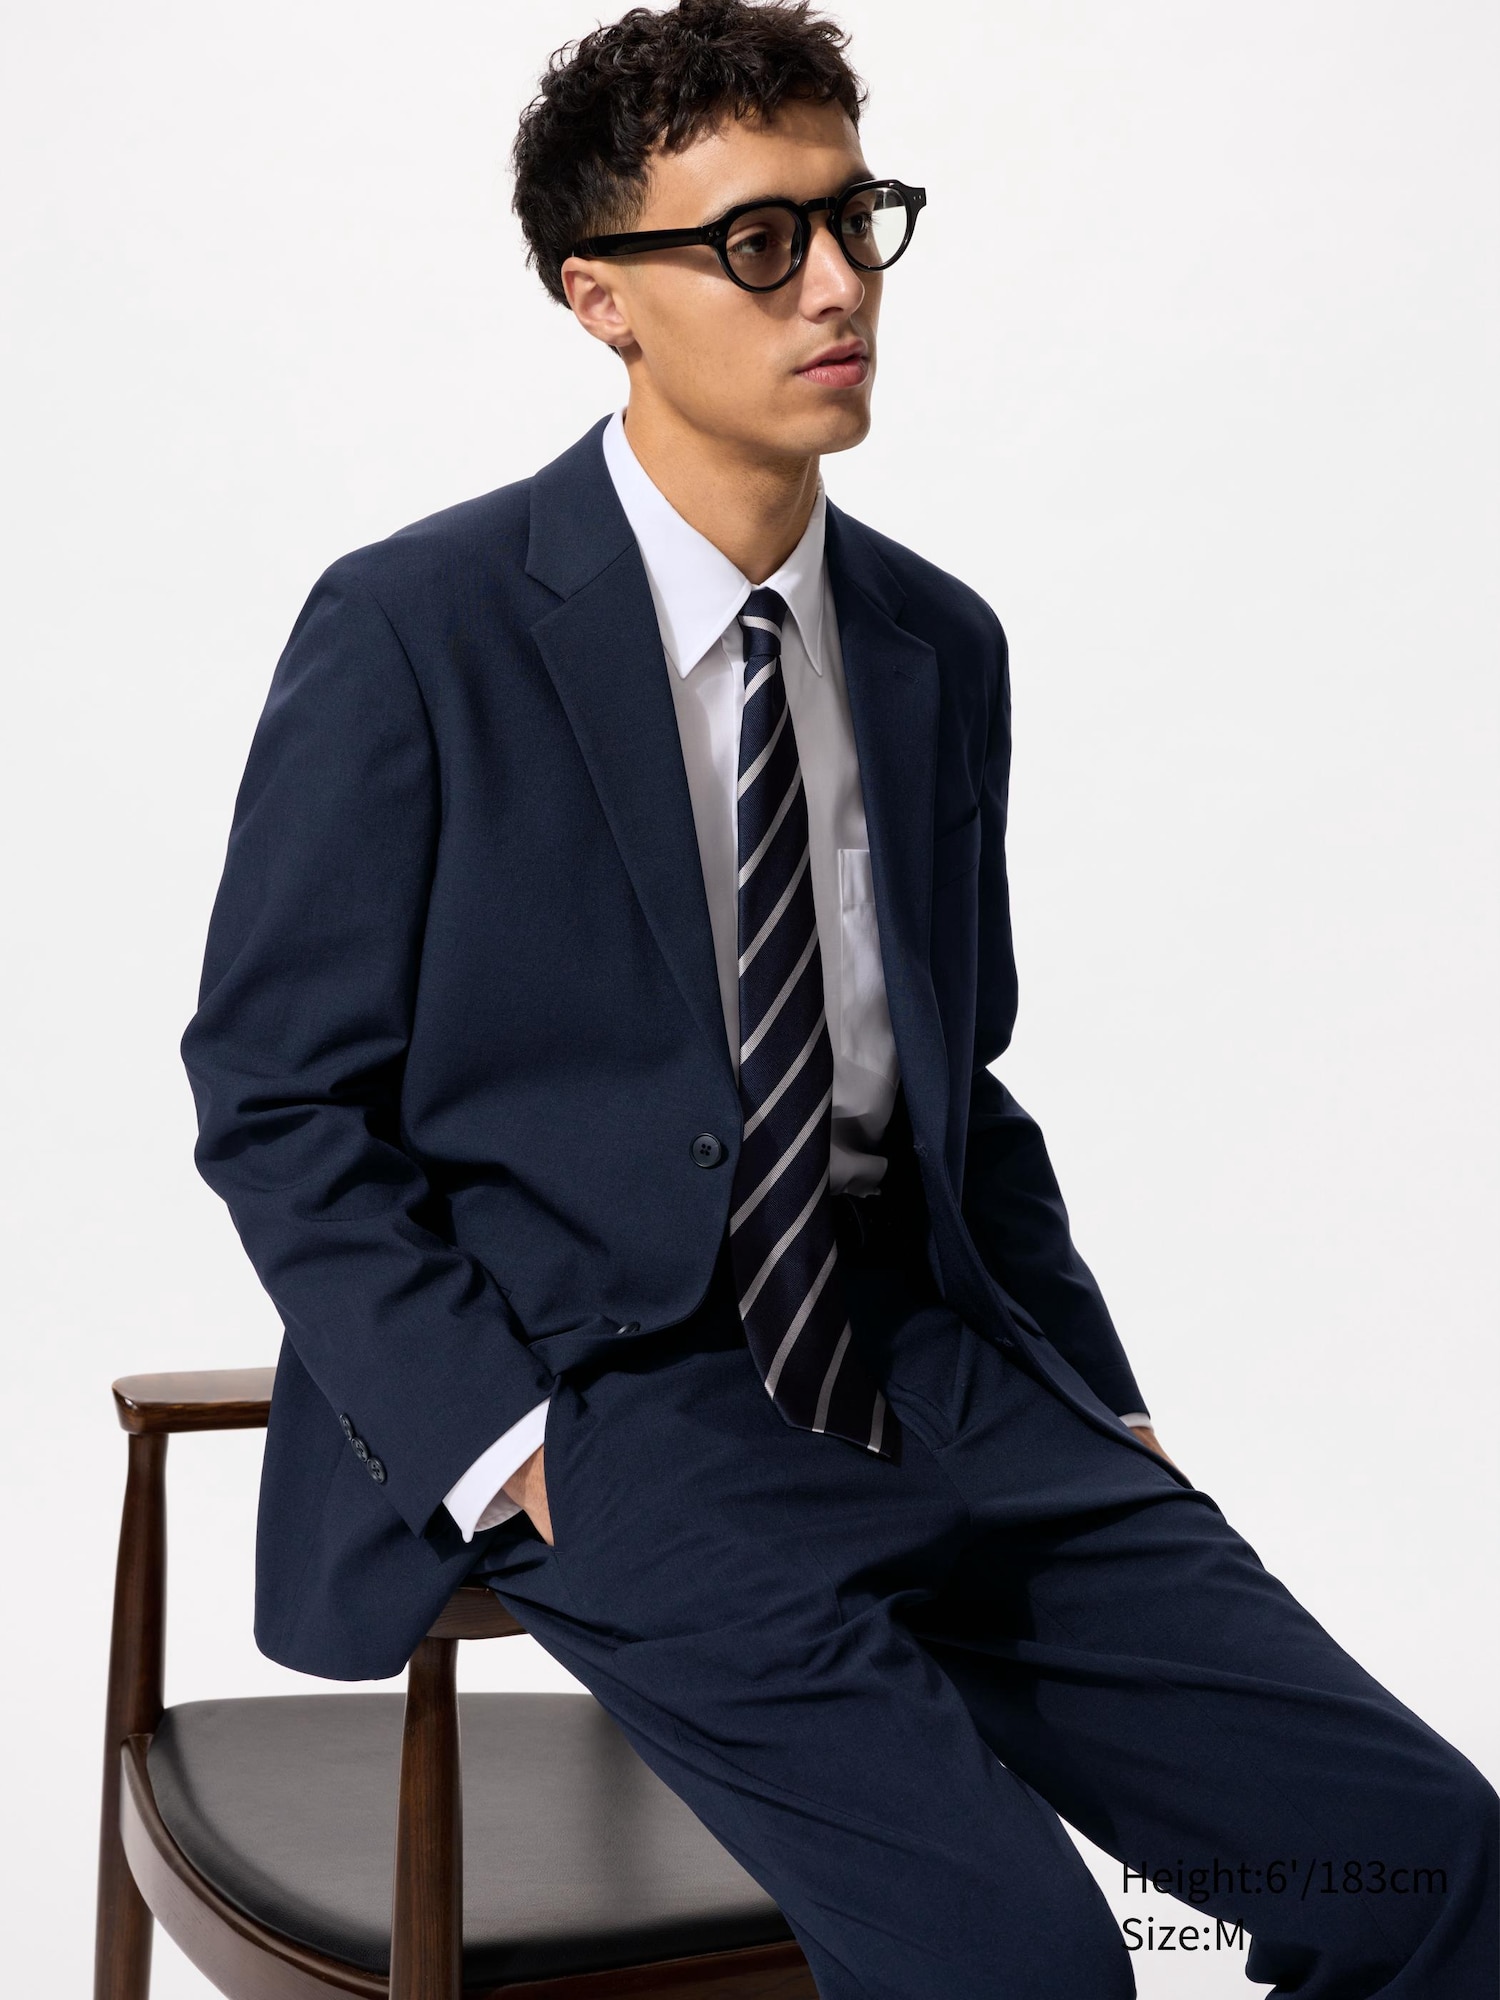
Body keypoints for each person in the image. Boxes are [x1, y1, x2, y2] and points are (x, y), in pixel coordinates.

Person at [181, 3, 1497, 1993]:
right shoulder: (416, 629)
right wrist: (499, 1439)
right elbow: (277, 1099)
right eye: (758, 241)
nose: (838, 284)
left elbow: (960, 1087)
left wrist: (1100, 1396)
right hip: (617, 1404)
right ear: (600, 297)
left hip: (943, 1370)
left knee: (1433, 1863)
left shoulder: (930, 642)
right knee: (1023, 1962)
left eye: (854, 218)